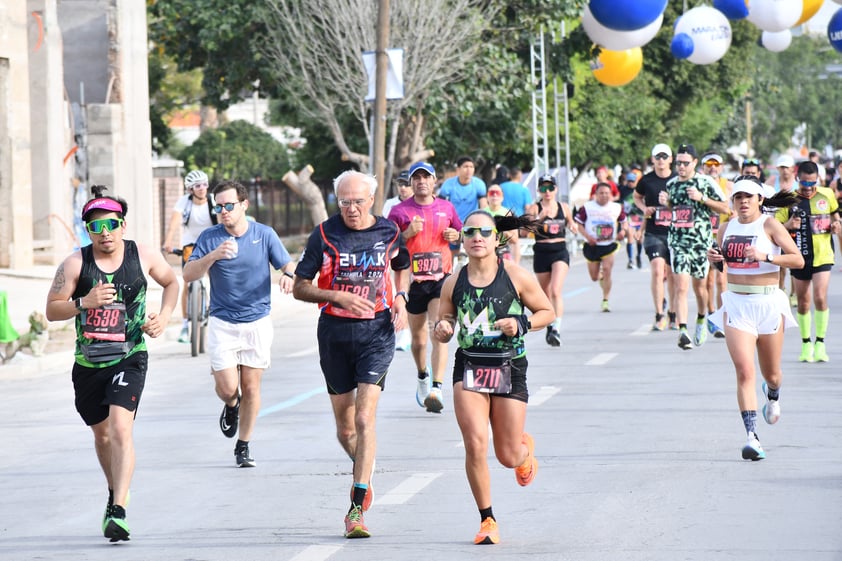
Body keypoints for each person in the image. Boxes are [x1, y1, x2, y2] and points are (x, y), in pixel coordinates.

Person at [45, 185, 179, 542]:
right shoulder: (76, 263)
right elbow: (51, 309)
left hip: (130, 355)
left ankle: (119, 509)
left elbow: (171, 282)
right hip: (88, 364)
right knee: (102, 435)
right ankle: (113, 491)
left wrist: (163, 317)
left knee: (121, 428)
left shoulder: (143, 256)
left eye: (112, 224)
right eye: (96, 228)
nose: (105, 233)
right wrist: (83, 302)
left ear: (123, 225)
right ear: (87, 231)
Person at [293, 170, 409, 539]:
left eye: (358, 201)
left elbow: (401, 265)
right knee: (345, 430)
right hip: (335, 333)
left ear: (371, 200)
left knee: (363, 418)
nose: (352, 209)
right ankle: (365, 468)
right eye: (344, 202)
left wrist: (401, 297)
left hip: (377, 331)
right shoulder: (325, 234)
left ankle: (355, 508)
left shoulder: (389, 231)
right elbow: (299, 287)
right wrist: (336, 296)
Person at [433, 210, 554, 545]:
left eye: (484, 232)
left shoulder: (515, 275)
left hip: (509, 365)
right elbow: (444, 324)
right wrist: (443, 328)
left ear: (496, 237)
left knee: (506, 455)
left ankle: (523, 454)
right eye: (470, 232)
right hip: (470, 365)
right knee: (475, 443)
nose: (477, 238)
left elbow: (548, 311)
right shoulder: (453, 281)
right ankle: (488, 520)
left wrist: (522, 324)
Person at [183, 180, 296, 467]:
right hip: (223, 322)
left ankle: (243, 445)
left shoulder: (264, 234)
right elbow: (188, 274)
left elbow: (288, 264)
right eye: (218, 206)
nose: (223, 211)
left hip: (257, 322)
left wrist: (289, 276)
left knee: (252, 386)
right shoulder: (210, 237)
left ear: (244, 205)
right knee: (227, 388)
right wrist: (213, 255)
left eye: (228, 206)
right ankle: (231, 406)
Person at [707, 177, 804, 460]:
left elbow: (797, 260)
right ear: (733, 201)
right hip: (737, 304)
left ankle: (773, 392)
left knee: (771, 374)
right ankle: (752, 437)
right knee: (744, 371)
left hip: (768, 303)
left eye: (749, 196)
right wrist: (715, 259)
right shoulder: (725, 228)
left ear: (760, 200)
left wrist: (766, 256)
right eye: (738, 197)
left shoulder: (770, 226)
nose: (743, 202)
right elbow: (723, 265)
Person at [388, 162, 462, 413]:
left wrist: (456, 236)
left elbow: (461, 232)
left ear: (434, 181)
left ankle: (437, 388)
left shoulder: (446, 207)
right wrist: (407, 233)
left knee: (439, 330)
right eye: (416, 178)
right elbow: (388, 245)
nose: (421, 181)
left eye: (426, 177)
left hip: (440, 280)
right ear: (411, 183)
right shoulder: (399, 211)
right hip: (412, 281)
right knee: (418, 341)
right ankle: (422, 375)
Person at [658, 143, 729, 350]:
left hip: (701, 243)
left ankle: (700, 319)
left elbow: (724, 207)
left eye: (685, 163)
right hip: (678, 241)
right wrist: (667, 203)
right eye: (678, 162)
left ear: (694, 163)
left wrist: (702, 198)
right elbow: (674, 209)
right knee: (680, 286)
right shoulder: (671, 184)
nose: (681, 166)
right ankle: (682, 330)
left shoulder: (705, 182)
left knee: (700, 288)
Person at [774, 160, 841, 362]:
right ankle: (806, 343)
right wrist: (788, 224)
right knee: (803, 302)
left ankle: (820, 342)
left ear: (817, 180)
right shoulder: (788, 199)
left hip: (823, 254)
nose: (808, 187)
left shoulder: (827, 195)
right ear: (797, 178)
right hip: (799, 256)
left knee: (820, 296)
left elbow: (834, 214)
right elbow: (775, 228)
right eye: (804, 183)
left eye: (812, 183)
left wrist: (836, 223)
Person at [162, 169, 218, 343]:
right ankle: (186, 325)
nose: (202, 188)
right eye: (197, 185)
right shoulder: (184, 203)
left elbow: (222, 222)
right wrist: (168, 242)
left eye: (204, 184)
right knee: (187, 281)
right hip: (190, 245)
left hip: (211, 243)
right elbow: (173, 224)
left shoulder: (213, 201)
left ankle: (214, 313)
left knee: (216, 278)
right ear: (190, 189)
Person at [527, 174, 576, 346]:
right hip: (541, 251)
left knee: (555, 290)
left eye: (550, 188)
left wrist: (573, 227)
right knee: (545, 294)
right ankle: (549, 322)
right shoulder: (534, 208)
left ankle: (556, 327)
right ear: (539, 190)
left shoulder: (564, 207)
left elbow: (571, 223)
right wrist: (540, 217)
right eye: (543, 188)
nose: (547, 192)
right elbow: (525, 231)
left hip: (560, 250)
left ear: (555, 189)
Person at [634, 143, 678, 331]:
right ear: (652, 160)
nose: (661, 160)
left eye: (664, 156)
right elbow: (637, 197)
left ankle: (674, 314)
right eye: (657, 157)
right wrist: (645, 209)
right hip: (653, 232)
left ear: (670, 159)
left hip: (676, 233)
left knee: (674, 275)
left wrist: (670, 204)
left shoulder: (678, 179)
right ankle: (659, 314)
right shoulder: (646, 180)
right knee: (657, 270)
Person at [576, 182, 628, 312]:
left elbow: (624, 222)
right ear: (595, 195)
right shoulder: (587, 208)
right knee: (594, 277)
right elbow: (579, 224)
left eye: (607, 193)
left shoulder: (616, 207)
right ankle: (601, 279)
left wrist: (623, 232)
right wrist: (588, 237)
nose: (604, 196)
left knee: (607, 269)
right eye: (601, 193)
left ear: (611, 195)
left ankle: (605, 300)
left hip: (609, 244)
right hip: (592, 245)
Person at [700, 153, 733, 338]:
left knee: (721, 280)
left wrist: (733, 216)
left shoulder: (729, 186)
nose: (713, 167)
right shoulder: (698, 184)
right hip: (704, 236)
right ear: (703, 166)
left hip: (723, 235)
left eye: (716, 164)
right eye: (709, 164)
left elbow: (735, 209)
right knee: (708, 281)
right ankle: (712, 313)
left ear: (721, 167)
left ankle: (719, 318)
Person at [381, 170, 414, 352]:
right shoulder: (391, 205)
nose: (403, 188)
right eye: (400, 184)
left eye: (406, 184)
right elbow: (388, 234)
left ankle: (411, 332)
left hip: (418, 258)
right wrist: (408, 233)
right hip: (398, 258)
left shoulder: (420, 203)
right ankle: (404, 333)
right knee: (400, 293)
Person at [484, 184, 520, 263]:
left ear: (502, 197)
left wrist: (505, 232)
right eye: (491, 193)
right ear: (487, 197)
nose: (495, 195)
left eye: (498, 193)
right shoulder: (482, 213)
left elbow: (515, 240)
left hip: (503, 250)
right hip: (486, 251)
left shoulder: (508, 214)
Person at [619, 171, 643, 269]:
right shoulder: (623, 190)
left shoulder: (640, 190)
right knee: (630, 236)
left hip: (639, 216)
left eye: (632, 181)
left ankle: (639, 255)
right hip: (628, 216)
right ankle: (630, 260)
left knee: (640, 239)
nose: (630, 183)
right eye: (629, 181)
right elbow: (621, 203)